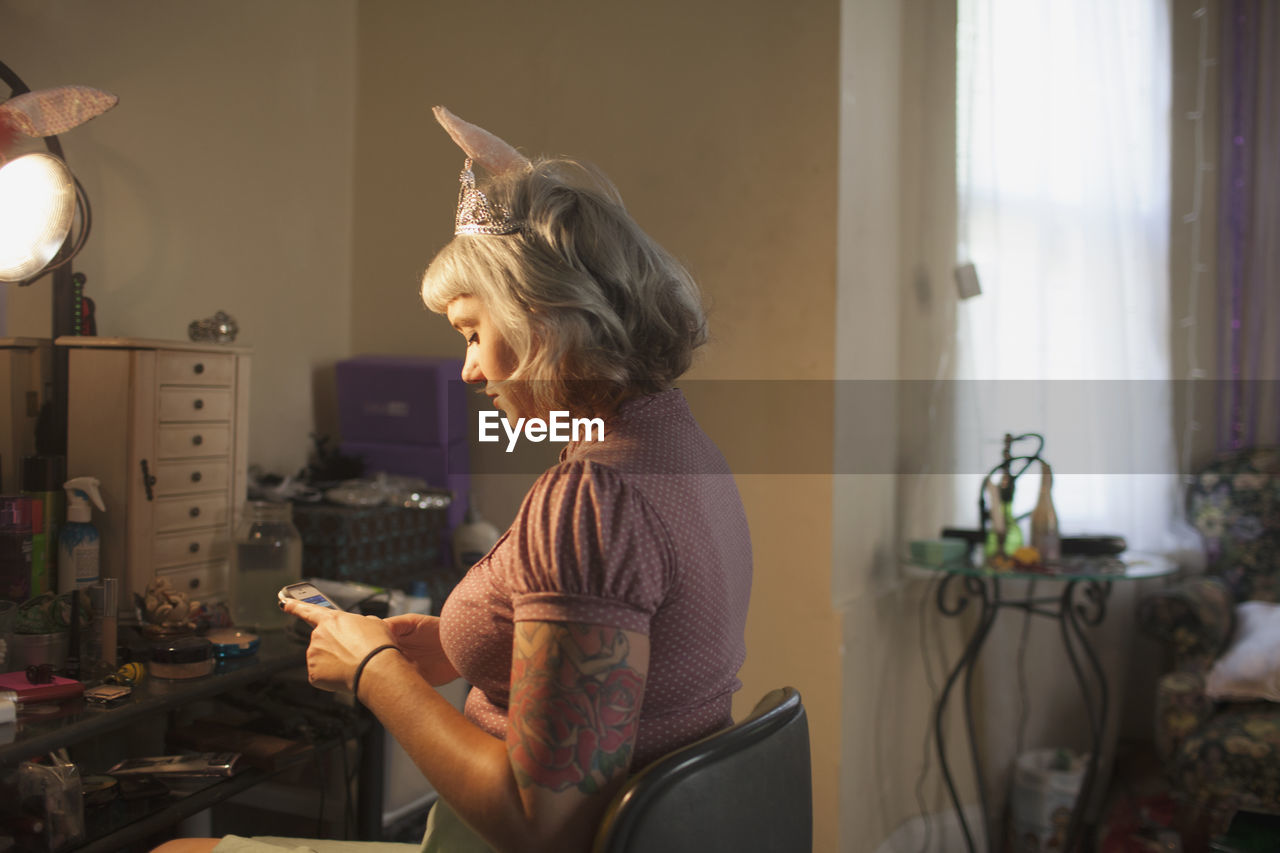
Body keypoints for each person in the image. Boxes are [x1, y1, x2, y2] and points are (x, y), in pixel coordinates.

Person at [153, 107, 752, 853]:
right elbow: (630, 641)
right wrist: (465, 644)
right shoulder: (675, 444)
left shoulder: (595, 501)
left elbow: (543, 822)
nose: (469, 367)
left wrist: (375, 672)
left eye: (474, 331)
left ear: (542, 319)